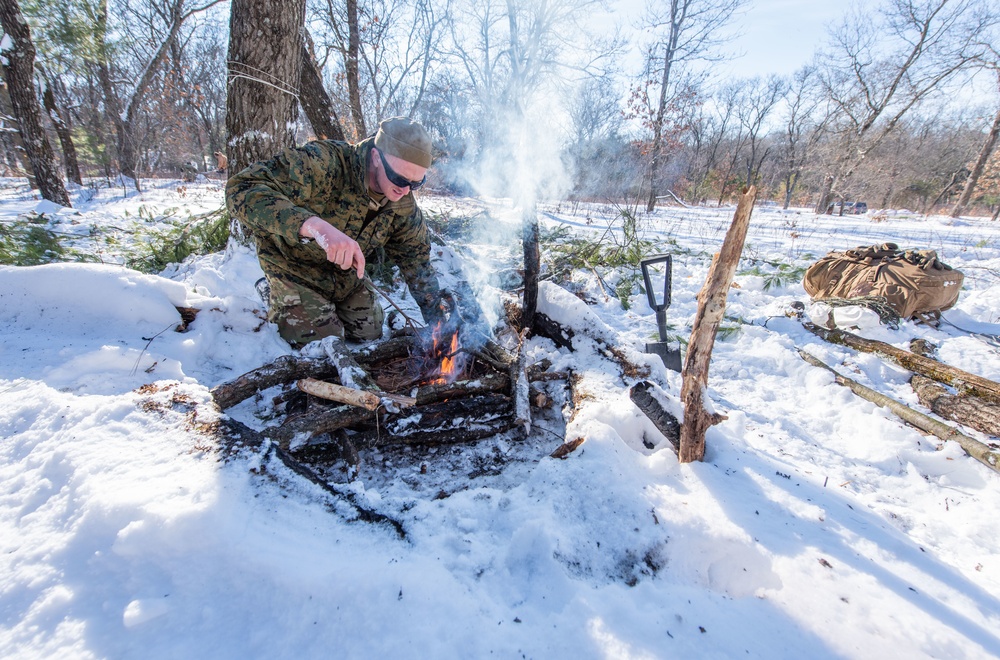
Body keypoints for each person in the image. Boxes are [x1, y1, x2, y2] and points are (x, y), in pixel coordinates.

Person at [226, 117, 447, 347]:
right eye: (399, 178)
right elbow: (241, 188)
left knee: (369, 334)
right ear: (376, 157)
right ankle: (272, 291)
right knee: (324, 342)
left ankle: (325, 306)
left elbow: (418, 264)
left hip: (344, 279)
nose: (404, 190)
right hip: (295, 268)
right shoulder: (326, 163)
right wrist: (315, 226)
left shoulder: (403, 205)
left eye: (415, 184)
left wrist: (441, 325)